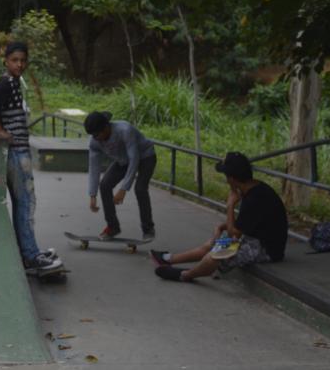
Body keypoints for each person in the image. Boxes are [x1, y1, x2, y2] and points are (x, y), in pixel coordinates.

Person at [0, 41, 62, 271]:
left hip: (17, 151)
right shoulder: (8, 82)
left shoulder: (10, 82)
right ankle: (31, 256)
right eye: (15, 60)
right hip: (17, 153)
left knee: (21, 203)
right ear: (6, 61)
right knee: (26, 203)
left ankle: (26, 251)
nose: (20, 64)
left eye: (23, 60)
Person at [151, 152, 288, 282]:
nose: (226, 180)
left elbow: (233, 234)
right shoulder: (254, 188)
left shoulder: (254, 199)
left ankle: (186, 275)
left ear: (232, 179)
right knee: (213, 244)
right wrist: (220, 227)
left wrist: (230, 205)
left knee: (216, 254)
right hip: (254, 238)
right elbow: (243, 225)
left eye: (226, 176)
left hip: (266, 249)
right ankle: (169, 259)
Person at [84, 111, 157, 240]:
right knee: (105, 185)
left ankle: (148, 228)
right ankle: (113, 227)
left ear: (106, 127)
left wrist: (124, 189)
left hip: (145, 156)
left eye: (97, 134)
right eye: (93, 135)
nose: (96, 138)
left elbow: (134, 159)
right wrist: (92, 194)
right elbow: (94, 167)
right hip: (123, 161)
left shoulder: (124, 130)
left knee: (140, 189)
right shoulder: (94, 142)